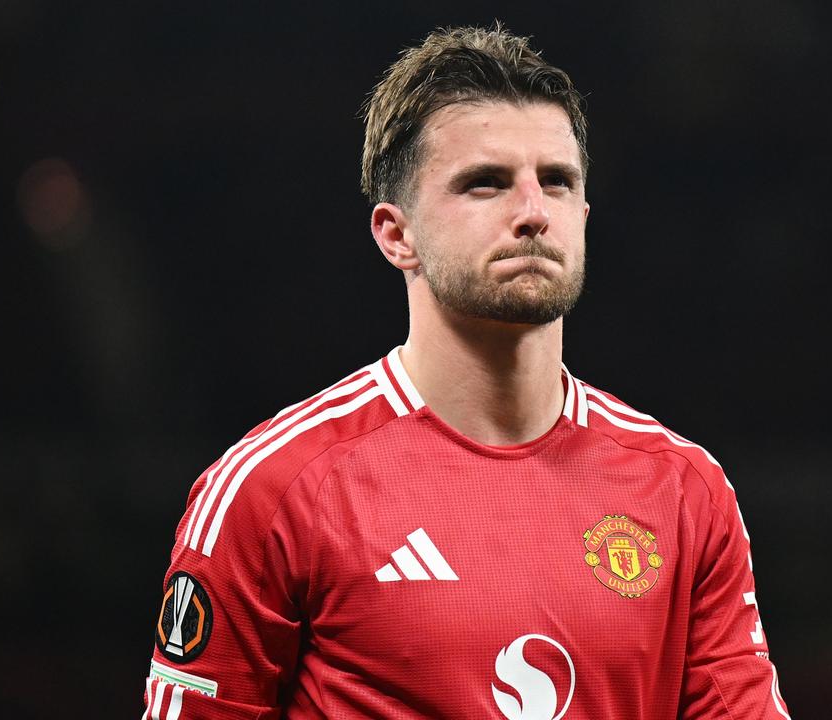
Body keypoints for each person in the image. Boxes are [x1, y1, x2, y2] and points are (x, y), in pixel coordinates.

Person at [143, 25, 789, 719]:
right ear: (397, 235)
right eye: (486, 184)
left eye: (558, 182)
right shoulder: (272, 490)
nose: (534, 213)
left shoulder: (685, 490)